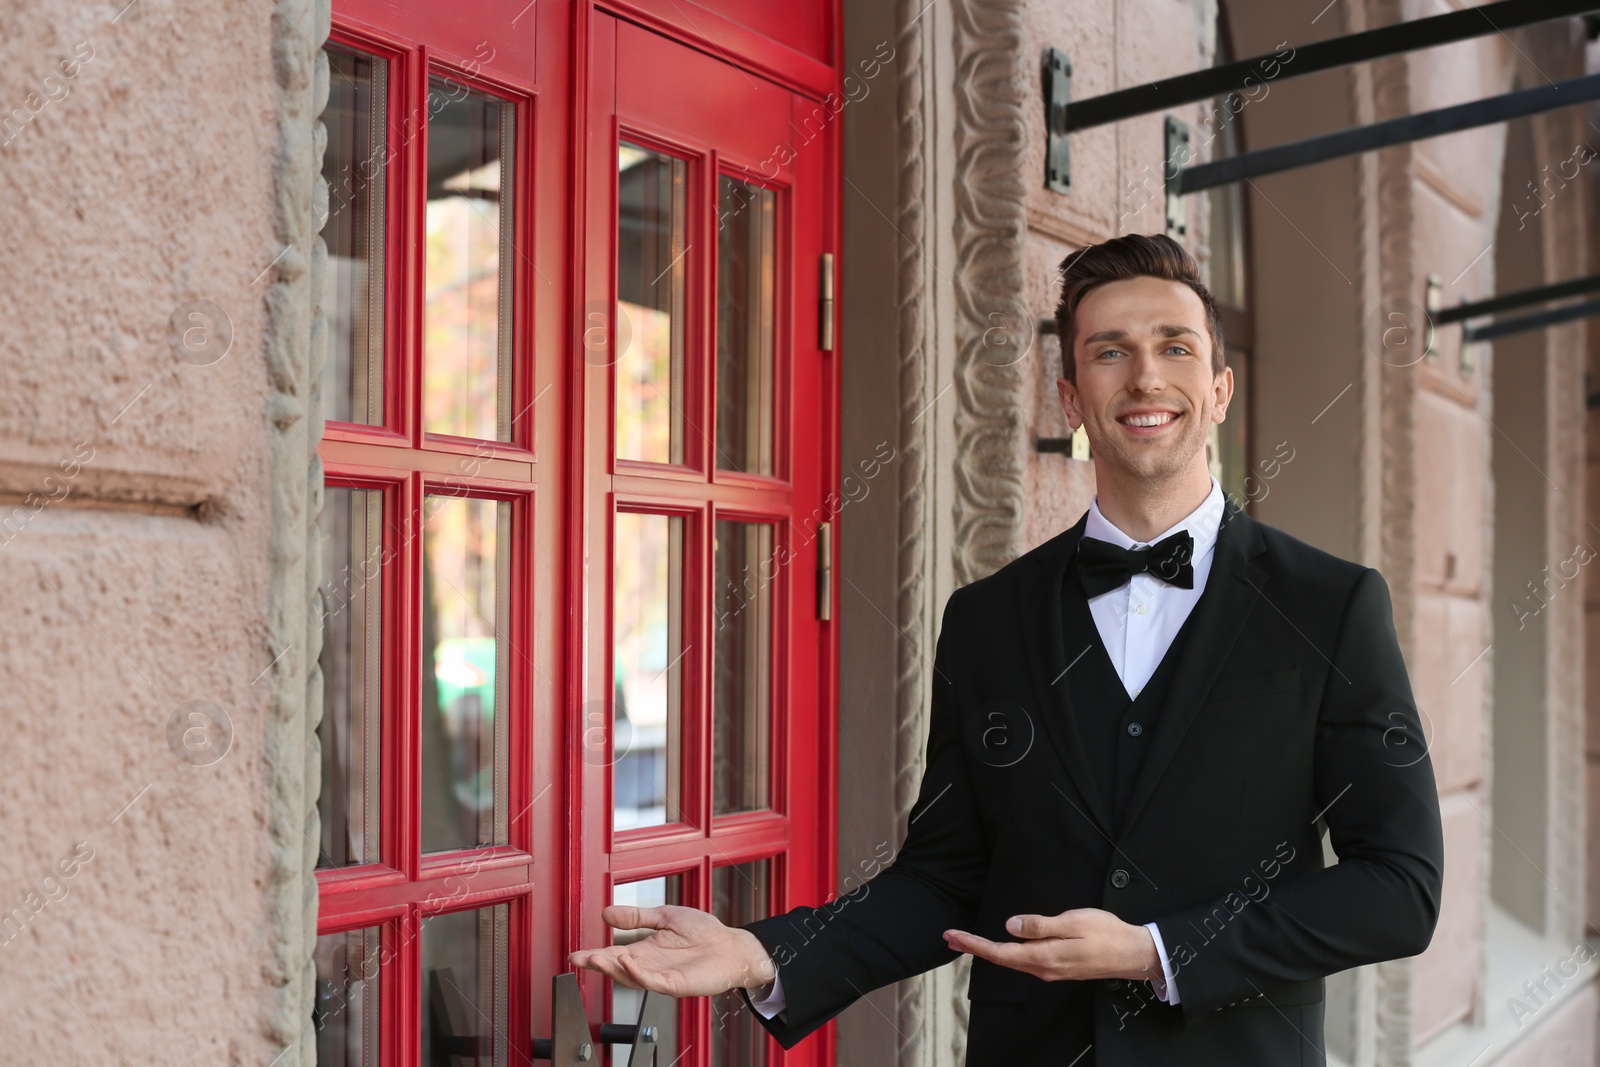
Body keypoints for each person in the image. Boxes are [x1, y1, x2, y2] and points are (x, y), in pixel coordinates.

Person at [570, 232, 1445, 1066]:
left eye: (1175, 347)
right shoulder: (988, 619)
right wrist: (761, 952)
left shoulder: (1329, 606)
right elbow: (946, 876)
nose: (1145, 374)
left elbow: (1398, 886)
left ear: (1218, 389)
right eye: (1109, 350)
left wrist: (1156, 951)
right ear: (1070, 398)